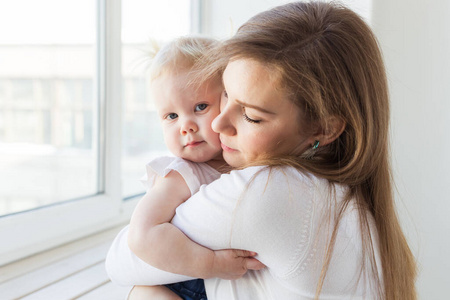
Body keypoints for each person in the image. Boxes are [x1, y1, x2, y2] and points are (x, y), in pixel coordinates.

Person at [106, 2, 417, 299]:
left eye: (251, 115)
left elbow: (121, 260)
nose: (217, 124)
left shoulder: (270, 191)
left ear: (323, 129)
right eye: (225, 94)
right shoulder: (342, 192)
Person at [112, 36, 264, 300]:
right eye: (172, 116)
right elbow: (142, 235)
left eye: (200, 107)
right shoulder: (181, 174)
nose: (186, 126)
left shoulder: (243, 162)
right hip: (180, 283)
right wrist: (212, 264)